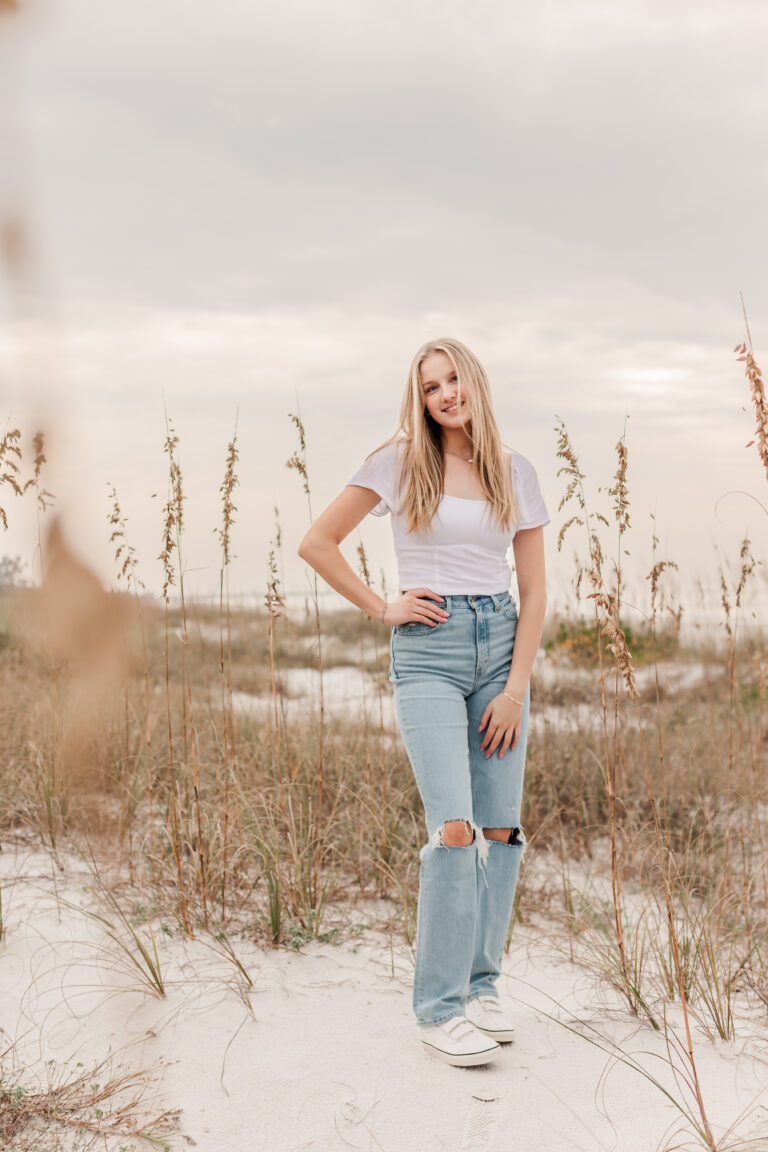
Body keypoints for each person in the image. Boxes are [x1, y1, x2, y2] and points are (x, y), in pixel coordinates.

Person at [297, 337, 549, 1067]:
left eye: (453, 378)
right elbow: (318, 542)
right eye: (431, 385)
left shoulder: (515, 471)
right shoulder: (401, 461)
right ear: (423, 398)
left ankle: (480, 986)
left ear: (474, 380)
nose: (445, 394)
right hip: (430, 650)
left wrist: (515, 687)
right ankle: (439, 1008)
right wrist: (382, 606)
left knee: (500, 827)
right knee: (456, 827)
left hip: (500, 645)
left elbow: (533, 591)